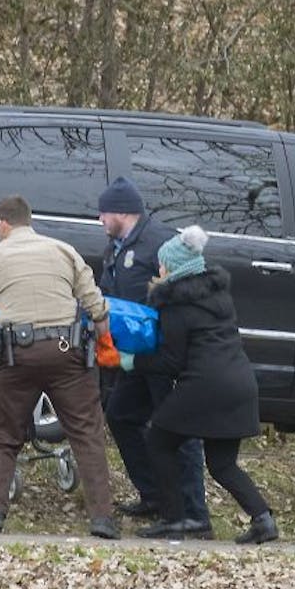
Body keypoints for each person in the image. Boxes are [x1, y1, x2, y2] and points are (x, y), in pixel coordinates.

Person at [110, 225, 278, 544]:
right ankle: (263, 519)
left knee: (160, 440)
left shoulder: (175, 304)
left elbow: (172, 362)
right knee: (223, 464)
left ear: (172, 267)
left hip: (205, 386)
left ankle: (178, 518)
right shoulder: (218, 294)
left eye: (162, 264)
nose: (158, 269)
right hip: (240, 383)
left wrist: (132, 361)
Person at [0, 195, 119, 539]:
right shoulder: (64, 251)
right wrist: (105, 346)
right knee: (86, 433)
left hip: (15, 355)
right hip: (66, 352)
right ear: (28, 220)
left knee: (4, 435)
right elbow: (95, 305)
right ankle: (102, 519)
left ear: (2, 224)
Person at [95, 177, 211, 532]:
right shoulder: (115, 246)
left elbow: (188, 285)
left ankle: (193, 513)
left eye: (103, 214)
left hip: (165, 352)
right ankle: (155, 494)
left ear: (120, 212)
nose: (99, 221)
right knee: (121, 415)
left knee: (177, 429)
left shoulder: (159, 241)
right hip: (136, 353)